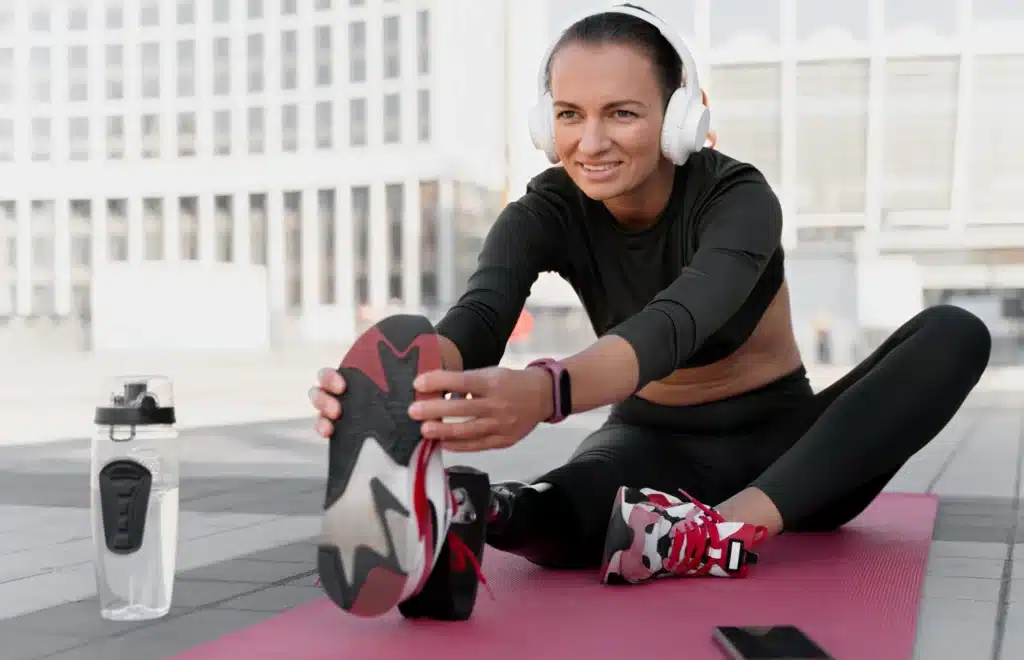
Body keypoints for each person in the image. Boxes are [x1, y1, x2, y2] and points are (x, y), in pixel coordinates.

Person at [309, 4, 992, 619]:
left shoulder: (738, 200)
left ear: (680, 117)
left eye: (622, 113)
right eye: (570, 114)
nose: (592, 141)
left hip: (794, 454)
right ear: (546, 124)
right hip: (651, 440)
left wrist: (548, 389)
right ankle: (467, 512)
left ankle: (720, 533)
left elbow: (675, 323)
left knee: (955, 332)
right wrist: (406, 386)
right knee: (563, 506)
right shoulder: (543, 211)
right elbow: (481, 317)